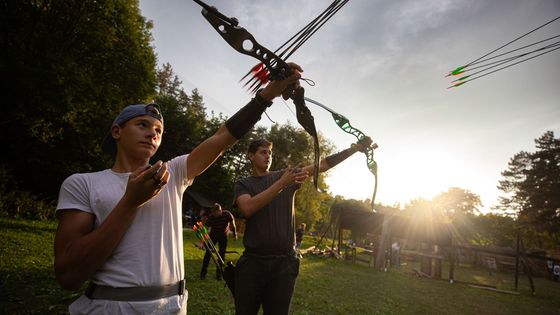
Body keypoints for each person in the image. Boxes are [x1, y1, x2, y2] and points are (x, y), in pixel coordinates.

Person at [53, 63, 302, 314]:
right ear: (117, 131)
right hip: (111, 306)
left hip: (172, 306)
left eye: (158, 130)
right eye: (142, 124)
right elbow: (69, 275)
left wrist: (268, 94)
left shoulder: (173, 173)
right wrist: (130, 202)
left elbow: (223, 137)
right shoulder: (83, 183)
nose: (152, 133)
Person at [233, 135, 372, 315]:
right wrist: (282, 184)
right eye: (262, 152)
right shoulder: (244, 184)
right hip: (253, 263)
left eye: (270, 153)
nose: (268, 156)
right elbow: (247, 208)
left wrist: (353, 149)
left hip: (284, 264)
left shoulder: (286, 176)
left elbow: (320, 166)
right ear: (250, 156)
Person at [199, 203, 238, 280]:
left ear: (220, 210)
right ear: (212, 212)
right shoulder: (211, 218)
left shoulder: (227, 214)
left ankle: (219, 274)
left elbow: (233, 224)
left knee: (221, 254)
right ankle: (203, 274)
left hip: (223, 236)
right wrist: (202, 242)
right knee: (208, 253)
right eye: (214, 214)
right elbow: (205, 229)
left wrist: (234, 233)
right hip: (213, 235)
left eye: (217, 213)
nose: (216, 215)